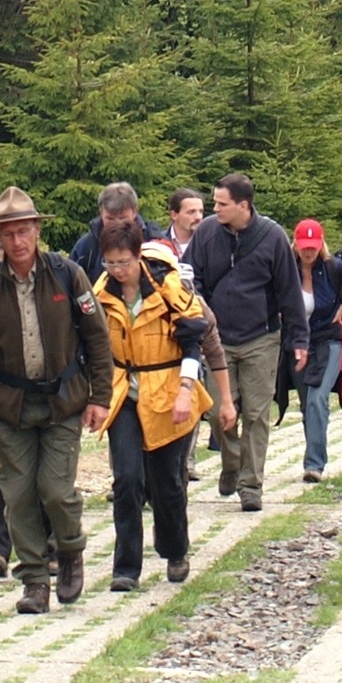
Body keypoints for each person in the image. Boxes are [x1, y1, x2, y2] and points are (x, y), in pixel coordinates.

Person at [0, 186, 114, 614]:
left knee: (55, 491)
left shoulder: (67, 275)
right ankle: (33, 581)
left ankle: (69, 552)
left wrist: (100, 397)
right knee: (18, 496)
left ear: (37, 231)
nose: (17, 242)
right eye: (8, 234)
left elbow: (97, 338)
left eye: (24, 231)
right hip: (10, 408)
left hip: (64, 402)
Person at [92, 221, 216, 590]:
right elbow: (94, 347)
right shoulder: (101, 294)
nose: (118, 270)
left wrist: (184, 391)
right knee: (127, 479)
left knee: (166, 483)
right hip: (124, 394)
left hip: (167, 390)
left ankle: (175, 549)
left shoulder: (167, 288)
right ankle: (126, 568)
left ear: (138, 256)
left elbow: (194, 341)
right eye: (111, 263)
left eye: (124, 262)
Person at [186, 173, 308, 513]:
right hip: (217, 339)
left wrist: (299, 338)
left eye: (221, 204)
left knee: (256, 414)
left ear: (243, 205)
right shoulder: (208, 233)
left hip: (261, 338)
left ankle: (251, 484)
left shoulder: (273, 238)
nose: (214, 209)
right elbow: (190, 278)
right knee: (216, 412)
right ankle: (232, 463)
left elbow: (289, 291)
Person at [293, 219, 342, 483]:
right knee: (307, 401)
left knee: (319, 398)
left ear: (321, 244)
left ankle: (314, 464)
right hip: (297, 342)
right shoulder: (286, 269)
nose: (309, 251)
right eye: (304, 246)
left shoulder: (332, 267)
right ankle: (314, 453)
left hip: (330, 339)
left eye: (313, 246)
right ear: (295, 244)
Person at [70, 182, 162, 287]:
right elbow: (71, 284)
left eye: (123, 218)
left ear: (134, 212)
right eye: (110, 219)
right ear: (101, 213)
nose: (116, 224)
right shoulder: (86, 246)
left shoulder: (154, 242)